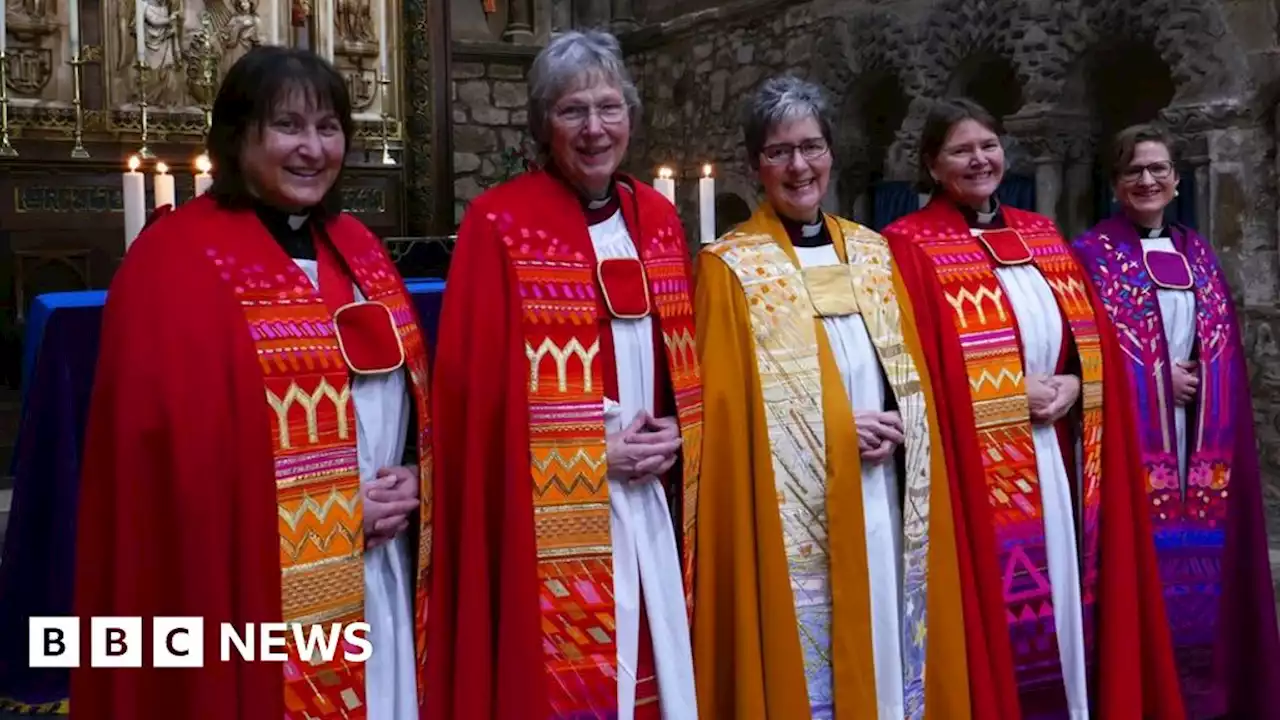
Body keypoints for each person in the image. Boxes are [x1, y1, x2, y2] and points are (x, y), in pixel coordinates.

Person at [72, 46, 433, 720]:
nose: (313, 148)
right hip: (250, 591)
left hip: (380, 570)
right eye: (288, 126)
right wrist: (326, 517)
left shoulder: (358, 247)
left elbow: (408, 399)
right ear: (239, 138)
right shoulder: (176, 260)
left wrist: (417, 475)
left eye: (328, 127)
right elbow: (168, 468)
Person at [425, 30, 701, 720]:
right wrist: (588, 453)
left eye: (609, 108)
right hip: (549, 512)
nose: (594, 128)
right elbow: (472, 400)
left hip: (652, 499)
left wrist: (681, 428)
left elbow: (686, 365)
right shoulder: (501, 223)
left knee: (657, 672)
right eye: (573, 110)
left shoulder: (659, 220)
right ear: (543, 124)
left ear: (630, 118)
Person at [881, 98, 1183, 720]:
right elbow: (906, 372)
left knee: (1070, 595)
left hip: (1060, 456)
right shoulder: (908, 246)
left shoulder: (1039, 232)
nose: (979, 159)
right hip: (976, 468)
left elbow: (1088, 339)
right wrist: (1005, 397)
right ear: (933, 165)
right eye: (961, 150)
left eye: (988, 145)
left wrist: (1078, 382)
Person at [691, 75, 969, 720]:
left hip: (885, 496)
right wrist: (838, 432)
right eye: (779, 151)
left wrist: (902, 422)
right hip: (799, 512)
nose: (799, 166)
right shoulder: (730, 267)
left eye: (811, 147)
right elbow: (729, 418)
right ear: (756, 165)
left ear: (831, 154)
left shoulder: (874, 253)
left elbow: (913, 379)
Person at [1070, 123, 1280, 719]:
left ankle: (1209, 698)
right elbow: (1081, 351)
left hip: (1202, 446)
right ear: (1115, 183)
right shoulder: (1092, 255)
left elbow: (1225, 353)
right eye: (1134, 170)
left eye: (1158, 169)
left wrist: (1201, 382)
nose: (1148, 180)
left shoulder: (1200, 254)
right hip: (1135, 449)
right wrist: (1156, 384)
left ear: (1177, 180)